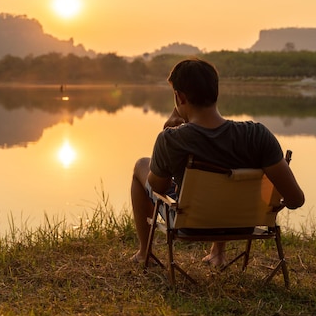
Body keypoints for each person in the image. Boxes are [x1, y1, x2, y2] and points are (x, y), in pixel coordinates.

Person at [130, 58, 305, 267]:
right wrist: (265, 206)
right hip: (244, 223)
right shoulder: (257, 135)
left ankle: (144, 253)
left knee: (141, 164)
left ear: (179, 97)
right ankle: (217, 252)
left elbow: (159, 187)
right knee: (227, 173)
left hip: (190, 224)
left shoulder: (172, 140)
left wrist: (168, 134)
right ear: (216, 93)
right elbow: (295, 199)